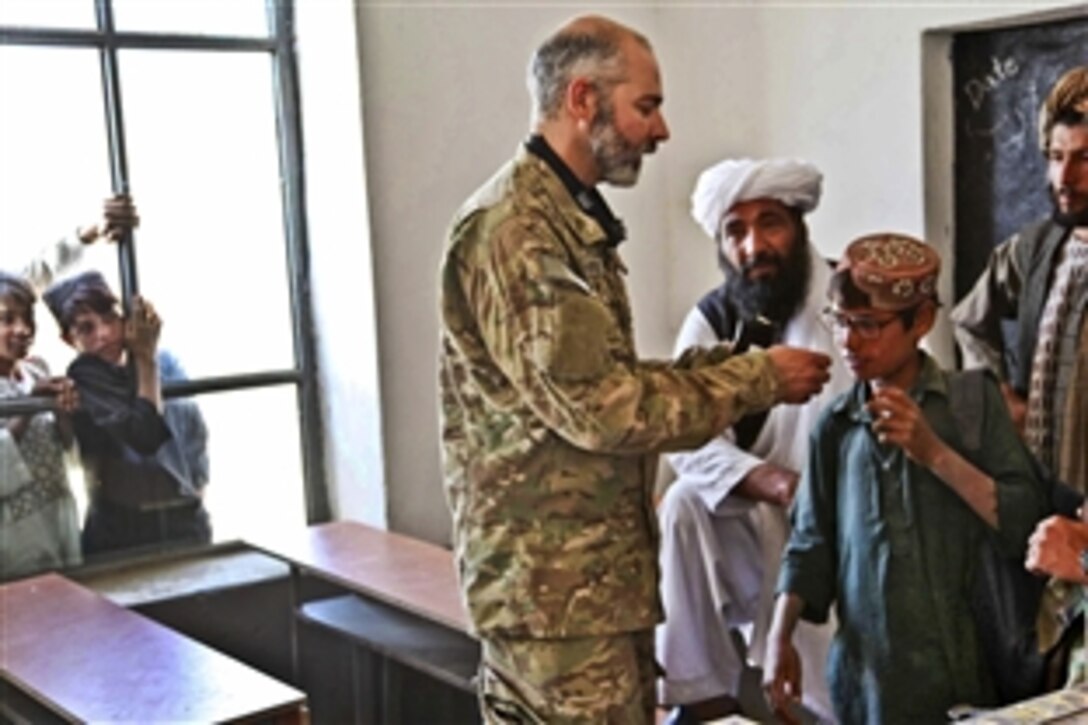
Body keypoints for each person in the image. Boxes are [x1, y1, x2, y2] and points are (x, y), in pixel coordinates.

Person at [438, 15, 833, 723]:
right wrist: (757, 378)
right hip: (556, 600)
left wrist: (734, 366)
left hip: (589, 587)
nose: (661, 131)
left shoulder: (567, 218)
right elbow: (603, 407)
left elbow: (596, 373)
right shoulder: (520, 231)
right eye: (646, 107)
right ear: (583, 99)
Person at [764, 233, 1045, 724]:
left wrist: (934, 452)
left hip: (964, 675)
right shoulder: (835, 425)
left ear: (921, 321)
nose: (849, 342)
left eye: (869, 325)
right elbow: (810, 544)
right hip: (868, 682)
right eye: (840, 323)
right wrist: (778, 636)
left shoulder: (972, 403)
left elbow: (1027, 524)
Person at [656, 157, 849, 723]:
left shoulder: (851, 301)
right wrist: (767, 480)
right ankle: (699, 697)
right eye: (735, 231)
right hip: (762, 511)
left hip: (849, 513)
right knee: (683, 506)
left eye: (770, 224)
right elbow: (682, 430)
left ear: (798, 227)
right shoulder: (716, 319)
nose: (754, 246)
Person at [951, 64, 1087, 502]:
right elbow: (969, 321)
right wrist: (999, 393)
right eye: (1056, 157)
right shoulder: (1033, 250)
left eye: (1086, 159)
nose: (1065, 179)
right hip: (1034, 492)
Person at [42, 271, 210, 557]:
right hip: (122, 530)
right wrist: (146, 359)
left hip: (183, 519)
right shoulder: (86, 374)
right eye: (86, 329)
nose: (104, 334)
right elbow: (146, 435)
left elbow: (193, 432)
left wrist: (196, 491)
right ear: (69, 339)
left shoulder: (166, 361)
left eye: (110, 320)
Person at [0, 271, 81, 579]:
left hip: (56, 513)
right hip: (15, 530)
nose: (22, 330)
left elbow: (67, 450)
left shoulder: (37, 370)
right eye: (7, 320)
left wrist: (63, 411)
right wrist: (31, 406)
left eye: (27, 319)